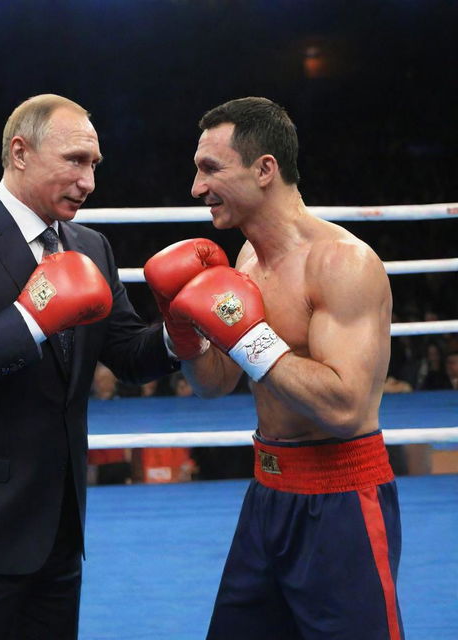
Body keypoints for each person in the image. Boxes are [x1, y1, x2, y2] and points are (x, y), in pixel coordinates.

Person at [0, 94, 178, 639]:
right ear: (20, 153)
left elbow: (127, 356)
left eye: (94, 165)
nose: (89, 181)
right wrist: (28, 319)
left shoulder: (92, 246)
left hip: (59, 530)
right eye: (74, 160)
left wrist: (179, 334)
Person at [144, 97, 403, 639]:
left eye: (211, 169)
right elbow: (215, 384)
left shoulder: (342, 263)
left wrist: (250, 338)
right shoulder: (244, 262)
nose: (196, 187)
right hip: (267, 493)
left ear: (265, 169)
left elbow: (346, 405)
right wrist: (184, 333)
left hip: (341, 501)